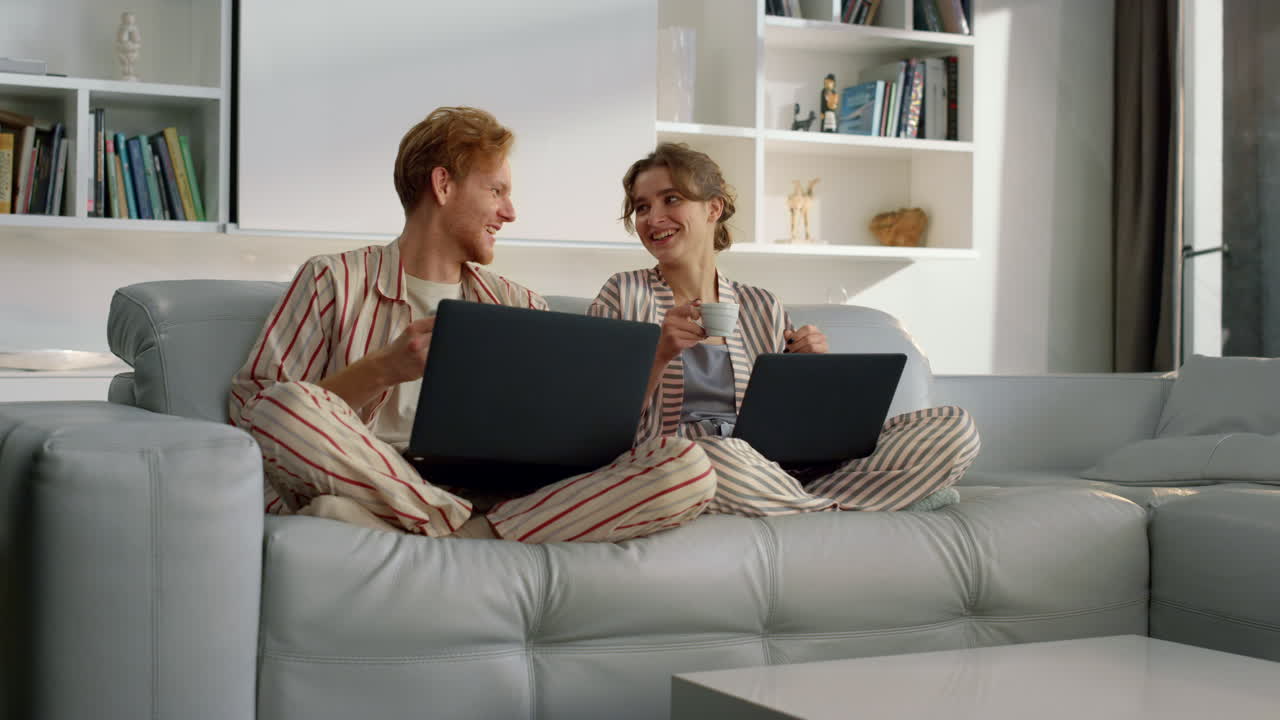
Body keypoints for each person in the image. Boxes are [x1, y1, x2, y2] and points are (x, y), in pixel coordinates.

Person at [229, 109, 716, 542]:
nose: (510, 212)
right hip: (372, 476)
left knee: (688, 466)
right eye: (496, 191)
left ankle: (456, 532)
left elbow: (560, 436)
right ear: (443, 186)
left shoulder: (518, 303)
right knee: (282, 405)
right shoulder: (333, 279)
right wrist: (383, 369)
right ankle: (455, 525)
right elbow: (255, 417)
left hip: (502, 494)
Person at [588, 142, 980, 516]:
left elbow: (798, 427)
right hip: (682, 466)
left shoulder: (763, 306)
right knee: (713, 456)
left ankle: (790, 500)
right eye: (642, 207)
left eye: (671, 199)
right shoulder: (622, 294)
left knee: (954, 428)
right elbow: (593, 425)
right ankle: (836, 505)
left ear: (713, 208)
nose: (653, 218)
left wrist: (815, 373)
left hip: (773, 468)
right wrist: (659, 355)